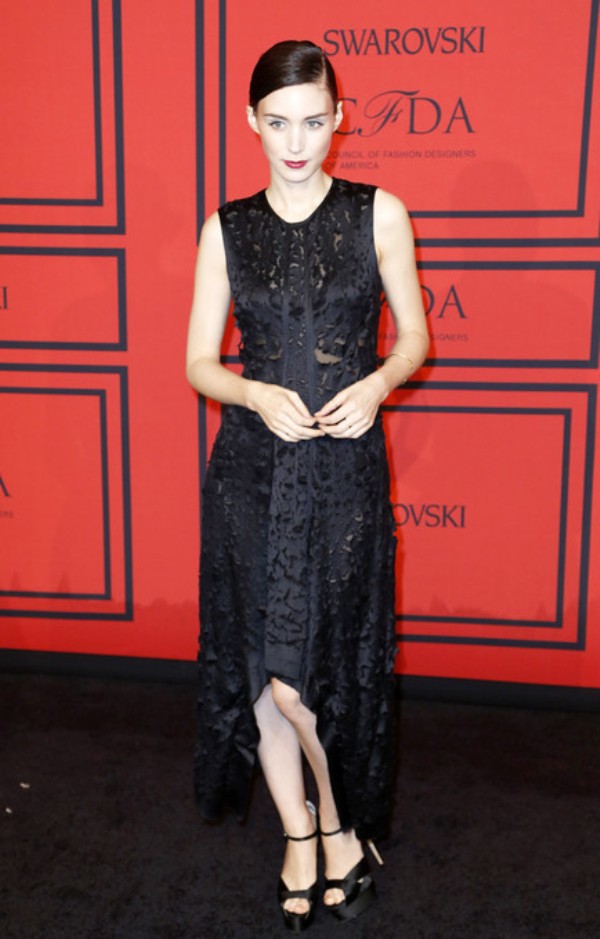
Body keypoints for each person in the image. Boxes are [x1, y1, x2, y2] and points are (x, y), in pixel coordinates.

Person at [186, 39, 429, 931]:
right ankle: (301, 831)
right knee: (260, 671)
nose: (297, 143)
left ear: (340, 118)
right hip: (249, 472)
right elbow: (196, 362)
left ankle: (339, 820)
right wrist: (252, 391)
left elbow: (415, 338)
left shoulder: (379, 214)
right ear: (251, 121)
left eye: (315, 122)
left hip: (340, 471)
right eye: (279, 123)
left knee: (308, 678)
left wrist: (378, 382)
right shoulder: (225, 228)